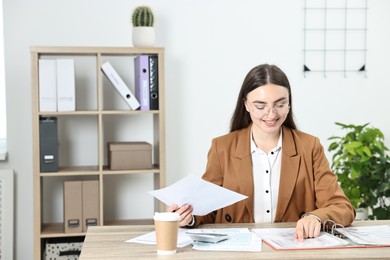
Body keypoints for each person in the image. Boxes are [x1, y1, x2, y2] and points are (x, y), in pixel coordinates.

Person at [168, 64, 355, 240]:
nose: (271, 114)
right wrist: (188, 216)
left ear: (289, 104)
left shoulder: (309, 146)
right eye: (260, 106)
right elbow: (207, 209)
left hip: (293, 250)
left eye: (280, 104)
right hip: (237, 251)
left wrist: (315, 217)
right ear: (246, 105)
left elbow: (342, 207)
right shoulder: (222, 148)